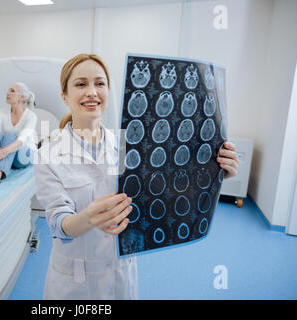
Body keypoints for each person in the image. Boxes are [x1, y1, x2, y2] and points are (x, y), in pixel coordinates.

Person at [34, 53, 239, 300]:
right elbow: (59, 224)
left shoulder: (128, 144)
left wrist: (214, 175)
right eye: (81, 84)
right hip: (75, 279)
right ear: (64, 96)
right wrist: (89, 218)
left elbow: (162, 191)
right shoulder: (48, 154)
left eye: (100, 83)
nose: (92, 91)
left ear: (109, 91)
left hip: (121, 272)